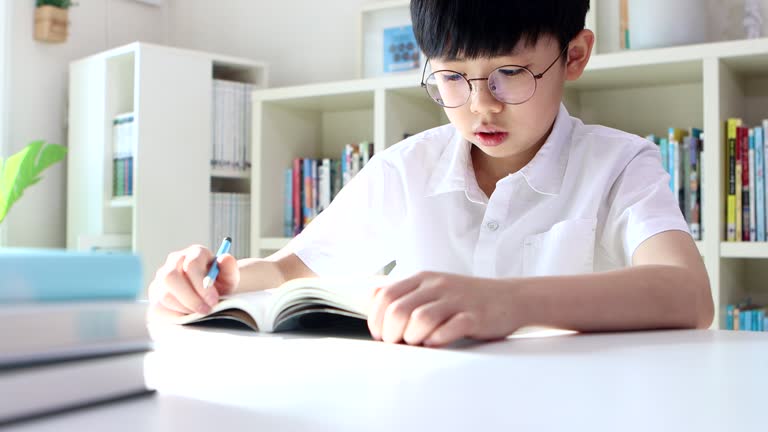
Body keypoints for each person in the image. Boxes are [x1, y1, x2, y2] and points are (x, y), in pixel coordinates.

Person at [148, 0, 713, 347]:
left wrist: (509, 303)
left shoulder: (619, 164)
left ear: (574, 56)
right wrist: (215, 279)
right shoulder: (406, 167)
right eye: (451, 79)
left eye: (510, 74)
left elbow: (688, 294)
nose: (481, 106)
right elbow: (291, 270)